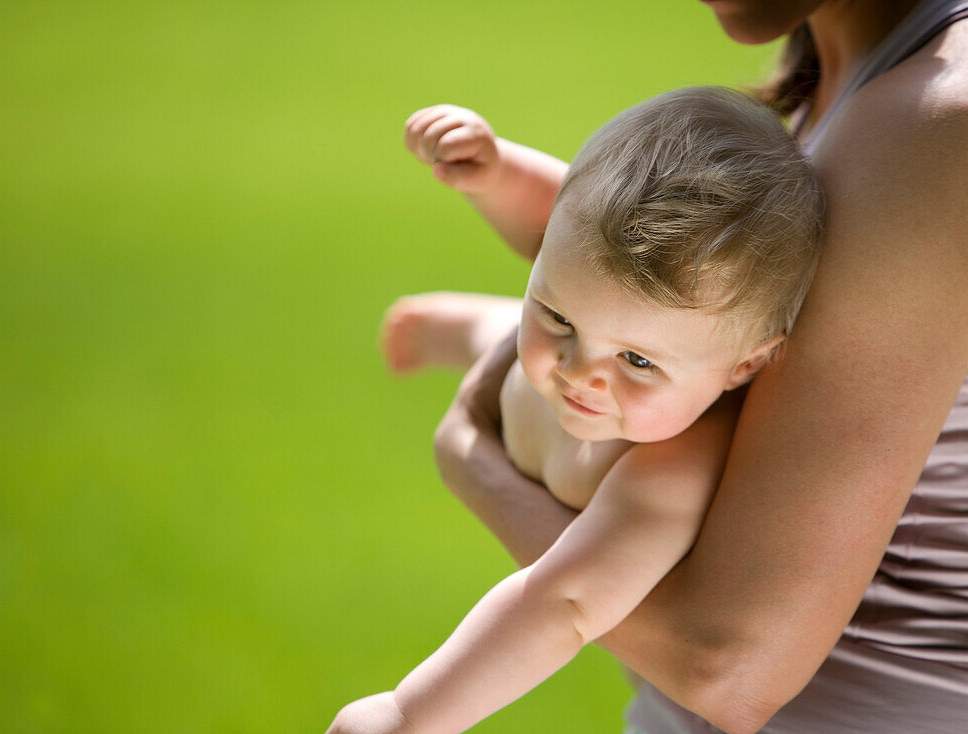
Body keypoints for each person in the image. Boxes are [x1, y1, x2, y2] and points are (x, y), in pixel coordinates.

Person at [403, 1, 968, 732]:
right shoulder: (860, 77)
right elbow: (619, 273)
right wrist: (498, 182)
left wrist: (470, 458)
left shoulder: (954, 123)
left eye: (636, 360)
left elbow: (722, 665)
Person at [326, 87, 824, 734]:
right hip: (522, 393)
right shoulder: (613, 336)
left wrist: (409, 713)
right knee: (520, 348)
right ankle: (484, 324)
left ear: (746, 366)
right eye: (559, 315)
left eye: (638, 362)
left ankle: (490, 324)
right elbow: (560, 217)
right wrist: (497, 172)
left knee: (526, 351)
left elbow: (564, 602)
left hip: (553, 430)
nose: (583, 373)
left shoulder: (672, 470)